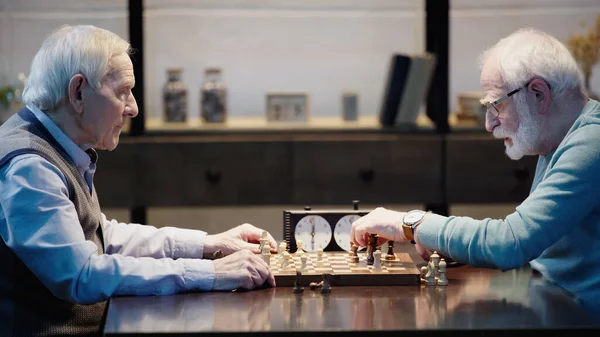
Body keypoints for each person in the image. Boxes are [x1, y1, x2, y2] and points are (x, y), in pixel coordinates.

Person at [0, 25, 276, 336]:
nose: (133, 108)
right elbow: (82, 275)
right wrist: (210, 272)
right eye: (122, 92)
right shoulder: (29, 168)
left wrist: (207, 244)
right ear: (78, 92)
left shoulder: (55, 144)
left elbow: (103, 235)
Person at [351, 27, 600, 315]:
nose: (489, 124)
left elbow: (511, 242)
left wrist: (409, 223)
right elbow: (537, 249)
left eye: (496, 106)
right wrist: (446, 242)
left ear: (538, 93)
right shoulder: (562, 137)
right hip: (553, 302)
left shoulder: (591, 144)